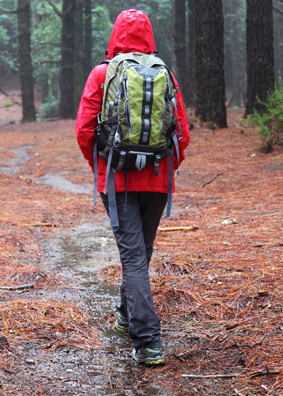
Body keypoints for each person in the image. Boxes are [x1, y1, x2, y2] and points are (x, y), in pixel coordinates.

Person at [75, 9, 190, 366]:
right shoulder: (164, 73)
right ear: (149, 36)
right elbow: (182, 134)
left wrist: (102, 168)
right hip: (157, 181)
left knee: (134, 258)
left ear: (115, 36)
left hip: (118, 182)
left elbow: (84, 130)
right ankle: (127, 315)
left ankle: (148, 341)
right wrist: (164, 168)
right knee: (142, 254)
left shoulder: (102, 73)